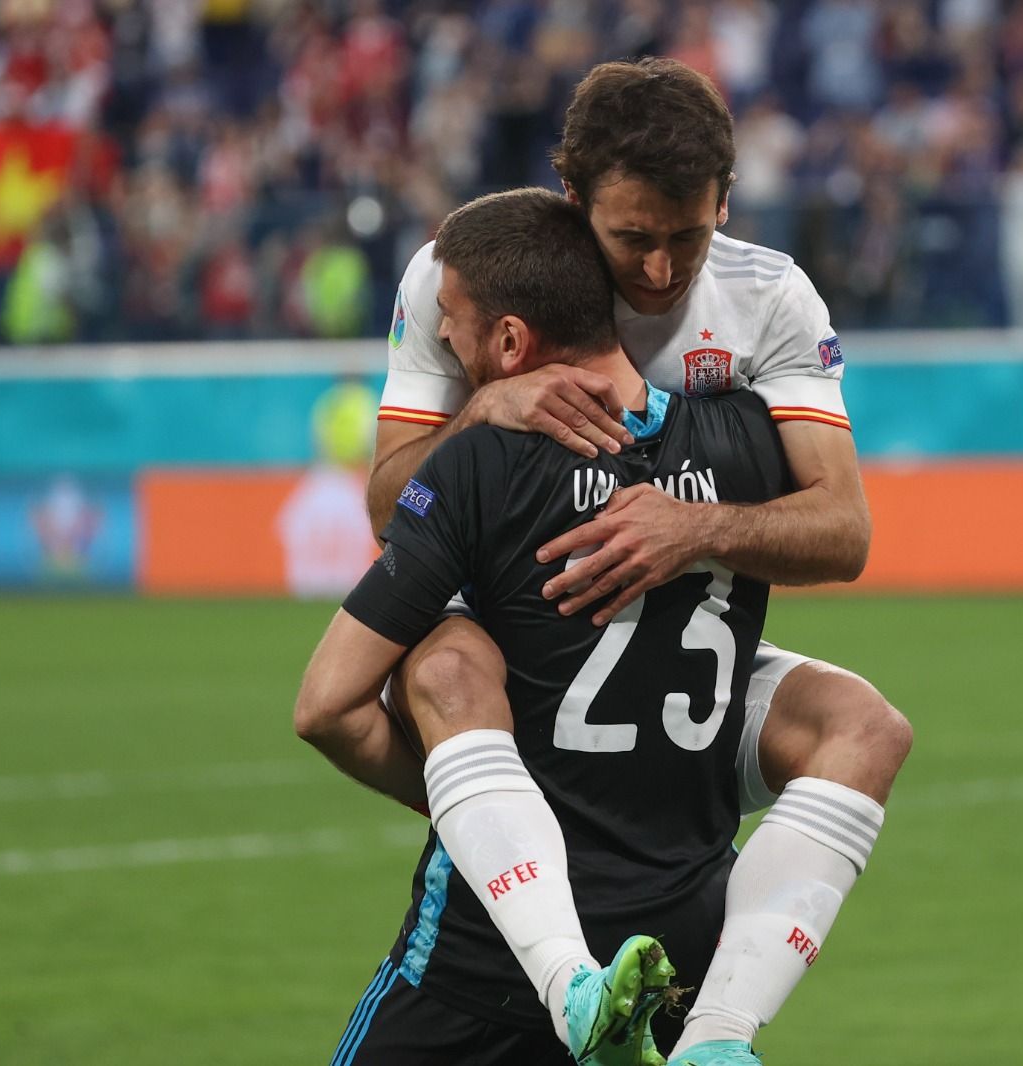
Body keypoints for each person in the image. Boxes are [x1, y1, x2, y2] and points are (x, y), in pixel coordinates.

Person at [367, 58, 911, 1065]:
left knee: (864, 727)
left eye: (689, 238)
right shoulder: (472, 273)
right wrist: (484, 409)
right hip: (521, 665)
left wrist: (694, 529)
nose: (661, 272)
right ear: (571, 197)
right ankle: (572, 982)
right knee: (441, 661)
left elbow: (844, 530)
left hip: (671, 671)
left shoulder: (768, 298)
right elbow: (389, 505)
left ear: (727, 202)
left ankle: (713, 1040)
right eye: (632, 238)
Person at [295, 188, 793, 1065]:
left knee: (442, 667)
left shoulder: (479, 464)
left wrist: (475, 806)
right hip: (680, 957)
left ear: (513, 343)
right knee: (864, 724)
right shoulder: (750, 440)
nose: (444, 340)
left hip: (486, 955)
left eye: (452, 322)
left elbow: (325, 707)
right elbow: (844, 532)